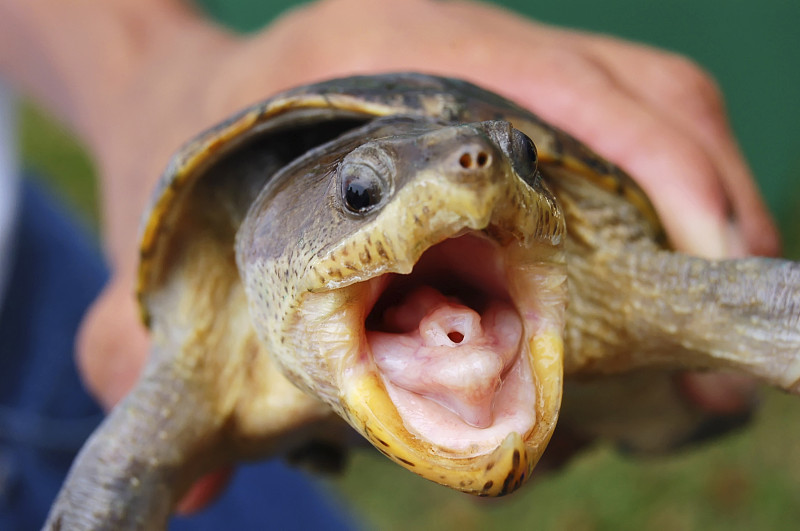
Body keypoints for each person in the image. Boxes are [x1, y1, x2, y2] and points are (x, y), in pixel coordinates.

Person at [0, 0, 781, 527]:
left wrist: (141, 69)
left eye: (512, 162)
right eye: (365, 194)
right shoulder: (208, 334)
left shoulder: (584, 266)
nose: (478, 168)